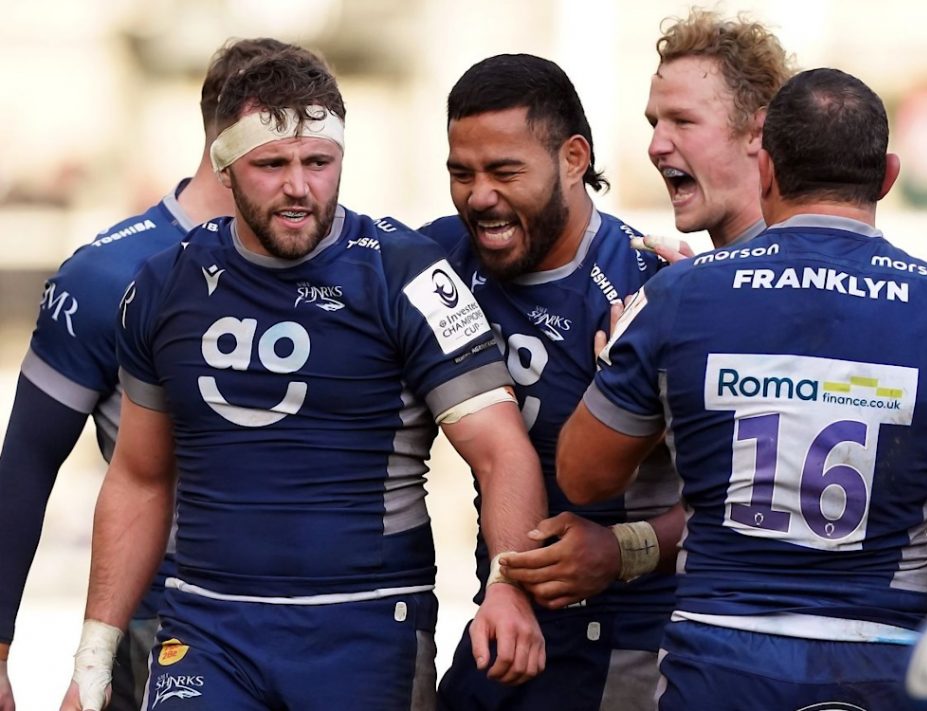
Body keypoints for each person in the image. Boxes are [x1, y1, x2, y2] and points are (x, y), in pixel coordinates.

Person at [59, 47, 547, 710]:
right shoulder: (161, 285)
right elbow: (139, 477)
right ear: (224, 166)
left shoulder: (406, 274)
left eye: (319, 162)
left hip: (366, 628)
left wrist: (509, 587)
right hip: (207, 630)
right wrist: (92, 660)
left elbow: (501, 451)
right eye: (273, 164)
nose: (299, 186)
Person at [557, 67, 927, 710]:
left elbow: (582, 477)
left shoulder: (680, 297)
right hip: (880, 662)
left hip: (717, 663)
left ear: (766, 169)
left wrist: (634, 366)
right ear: (888, 176)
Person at [0, 37, 296, 711]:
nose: (302, 180)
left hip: (336, 625)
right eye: (281, 150)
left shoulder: (352, 265)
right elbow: (25, 463)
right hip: (164, 629)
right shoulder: (107, 275)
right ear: (228, 137)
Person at [420, 53, 683, 710]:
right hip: (502, 617)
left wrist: (626, 548)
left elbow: (744, 506)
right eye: (462, 173)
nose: (480, 196)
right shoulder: (430, 265)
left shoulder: (653, 286)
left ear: (572, 159)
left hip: (625, 641)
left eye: (505, 171)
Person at [638, 9, 792, 262]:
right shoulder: (717, 277)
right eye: (654, 123)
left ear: (757, 132)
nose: (655, 147)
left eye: (683, 121)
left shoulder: (800, 275)